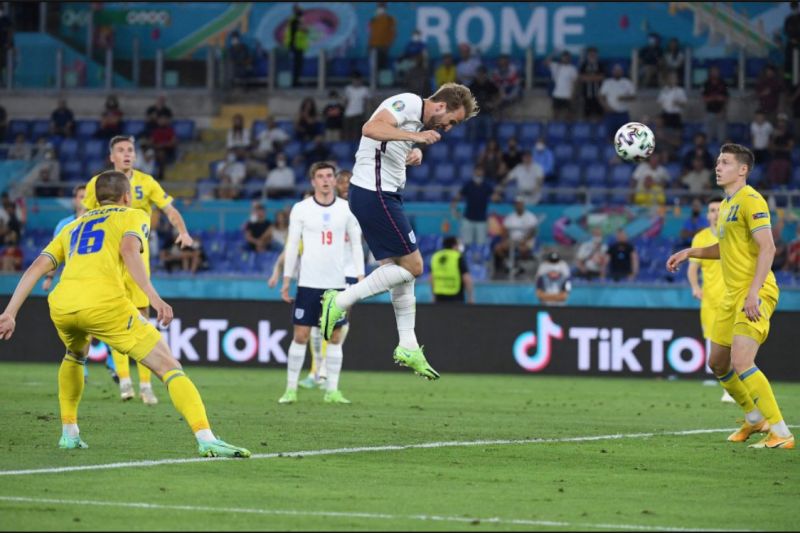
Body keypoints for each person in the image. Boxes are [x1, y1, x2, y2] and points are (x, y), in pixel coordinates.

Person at [0, 171, 250, 458]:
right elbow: (130, 250)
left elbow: (36, 267)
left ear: (95, 196)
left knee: (75, 354)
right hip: (104, 303)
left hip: (62, 304)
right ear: (127, 195)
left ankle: (69, 434)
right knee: (169, 365)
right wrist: (154, 298)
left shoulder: (73, 226)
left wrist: (10, 312)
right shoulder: (132, 215)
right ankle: (206, 437)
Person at [319, 83, 478, 381]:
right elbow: (371, 128)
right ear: (441, 106)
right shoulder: (407, 102)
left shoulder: (414, 119)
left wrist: (409, 153)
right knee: (414, 266)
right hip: (375, 194)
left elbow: (381, 147)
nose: (448, 128)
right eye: (452, 121)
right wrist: (414, 137)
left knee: (399, 274)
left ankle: (408, 345)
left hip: (381, 194)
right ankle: (338, 301)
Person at [666, 143, 794, 449]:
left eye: (724, 162)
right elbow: (726, 249)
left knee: (741, 360)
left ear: (743, 169)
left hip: (755, 290)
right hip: (731, 294)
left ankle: (781, 432)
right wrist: (691, 251)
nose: (717, 167)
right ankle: (753, 419)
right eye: (717, 162)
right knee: (718, 363)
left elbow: (768, 248)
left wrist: (753, 293)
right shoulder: (726, 206)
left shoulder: (752, 200)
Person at [83, 135, 194, 406]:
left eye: (130, 150)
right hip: (109, 263)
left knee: (143, 322)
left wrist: (182, 230)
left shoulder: (146, 182)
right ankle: (125, 382)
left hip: (137, 264)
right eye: (120, 150)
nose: (127, 154)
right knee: (114, 319)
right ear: (111, 156)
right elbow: (84, 219)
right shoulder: (97, 184)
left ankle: (145, 386)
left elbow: (169, 209)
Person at [278, 162, 364, 404]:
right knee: (301, 335)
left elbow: (357, 244)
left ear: (335, 181)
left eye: (329, 176)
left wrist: (360, 276)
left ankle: (332, 391)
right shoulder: (301, 209)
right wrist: (286, 280)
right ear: (313, 181)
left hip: (336, 284)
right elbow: (293, 245)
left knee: (336, 337)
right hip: (307, 283)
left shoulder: (347, 209)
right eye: (320, 176)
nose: (326, 180)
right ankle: (290, 389)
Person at [687, 196, 734, 401]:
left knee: (732, 342)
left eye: (718, 209)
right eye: (712, 210)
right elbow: (692, 268)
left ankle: (730, 387)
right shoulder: (700, 237)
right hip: (710, 299)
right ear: (707, 215)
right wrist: (695, 287)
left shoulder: (732, 235)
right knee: (712, 340)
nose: (715, 213)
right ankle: (720, 378)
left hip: (732, 298)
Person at [450, 165, 500, 247]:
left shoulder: (487, 186)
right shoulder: (468, 185)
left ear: (483, 172)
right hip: (468, 219)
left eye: (480, 170)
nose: (479, 172)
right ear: (474, 172)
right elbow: (458, 197)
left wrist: (497, 196)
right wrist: (453, 207)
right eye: (477, 170)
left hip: (481, 220)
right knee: (466, 243)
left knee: (481, 244)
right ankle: (466, 259)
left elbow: (495, 198)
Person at [493, 196, 539, 276]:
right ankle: (512, 265)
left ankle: (520, 266)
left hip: (526, 240)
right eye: (517, 204)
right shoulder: (510, 217)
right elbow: (504, 230)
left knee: (523, 249)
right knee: (498, 248)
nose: (518, 206)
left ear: (523, 204)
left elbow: (534, 231)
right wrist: (504, 240)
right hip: (512, 240)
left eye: (520, 204)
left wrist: (525, 240)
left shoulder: (530, 216)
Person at [431, 236, 474, 304]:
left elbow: (431, 278)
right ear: (454, 246)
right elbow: (466, 278)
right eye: (458, 244)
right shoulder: (458, 257)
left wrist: (433, 296)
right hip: (456, 297)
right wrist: (470, 297)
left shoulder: (436, 257)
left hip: (439, 297)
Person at [599, 64, 636, 141]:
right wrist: (606, 107)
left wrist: (624, 98)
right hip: (611, 114)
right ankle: (610, 151)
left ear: (622, 72)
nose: (617, 72)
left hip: (623, 114)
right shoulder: (607, 82)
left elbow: (633, 97)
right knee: (609, 135)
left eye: (619, 71)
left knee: (624, 137)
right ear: (612, 72)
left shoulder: (627, 82)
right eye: (615, 71)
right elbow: (601, 97)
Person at [546, 50, 579, 121]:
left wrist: (573, 95)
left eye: (567, 57)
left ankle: (568, 130)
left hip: (568, 95)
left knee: (569, 115)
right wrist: (553, 53)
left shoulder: (573, 69)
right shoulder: (556, 66)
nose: (565, 59)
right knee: (555, 115)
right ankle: (555, 130)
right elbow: (546, 62)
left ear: (570, 58)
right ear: (561, 58)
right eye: (564, 57)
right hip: (557, 94)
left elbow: (575, 83)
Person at [702, 65, 729, 144]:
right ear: (710, 73)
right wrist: (716, 97)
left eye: (716, 71)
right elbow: (705, 99)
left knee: (722, 138)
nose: (715, 73)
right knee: (707, 137)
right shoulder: (706, 83)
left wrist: (723, 110)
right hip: (710, 113)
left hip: (721, 113)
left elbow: (725, 98)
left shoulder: (723, 83)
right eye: (713, 71)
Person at [283, 4, 309, 87]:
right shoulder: (295, 20)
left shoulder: (295, 19)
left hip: (297, 45)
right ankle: (295, 82)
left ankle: (296, 81)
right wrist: (303, 25)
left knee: (298, 65)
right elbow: (304, 30)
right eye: (299, 9)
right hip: (296, 45)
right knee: (296, 65)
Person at [367, 2, 396, 72]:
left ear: (385, 8)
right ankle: (374, 82)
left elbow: (393, 33)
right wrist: (369, 46)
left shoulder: (390, 19)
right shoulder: (373, 19)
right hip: (373, 47)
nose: (380, 9)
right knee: (373, 68)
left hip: (383, 47)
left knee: (383, 68)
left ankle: (382, 82)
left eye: (382, 7)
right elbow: (370, 33)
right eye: (379, 7)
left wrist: (388, 45)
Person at [579, 46, 605, 122]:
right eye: (590, 54)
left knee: (599, 115)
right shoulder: (584, 65)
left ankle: (599, 132)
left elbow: (602, 77)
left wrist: (589, 77)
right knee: (586, 115)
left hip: (599, 96)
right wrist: (594, 77)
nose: (592, 55)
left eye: (594, 54)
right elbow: (581, 78)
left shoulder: (600, 65)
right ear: (588, 55)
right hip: (587, 95)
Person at [343, 73, 371, 141]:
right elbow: (345, 101)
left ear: (360, 80)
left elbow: (368, 102)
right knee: (347, 133)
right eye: (354, 80)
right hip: (348, 114)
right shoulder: (348, 89)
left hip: (358, 114)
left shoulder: (364, 90)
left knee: (356, 134)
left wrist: (367, 114)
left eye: (357, 80)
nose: (356, 81)